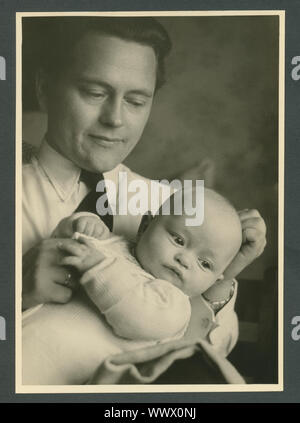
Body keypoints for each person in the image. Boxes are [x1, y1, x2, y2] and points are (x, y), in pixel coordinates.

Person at [22, 17, 266, 382]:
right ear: (44, 88)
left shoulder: (170, 205)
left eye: (136, 101)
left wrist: (224, 272)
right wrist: (14, 294)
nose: (115, 119)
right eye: (94, 92)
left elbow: (217, 342)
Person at [22, 188, 242, 384]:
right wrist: (82, 222)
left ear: (216, 280)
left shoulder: (174, 305)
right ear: (145, 225)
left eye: (204, 264)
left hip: (61, 376)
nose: (184, 260)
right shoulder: (116, 245)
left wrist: (98, 266)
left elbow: (137, 317)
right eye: (178, 240)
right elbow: (67, 244)